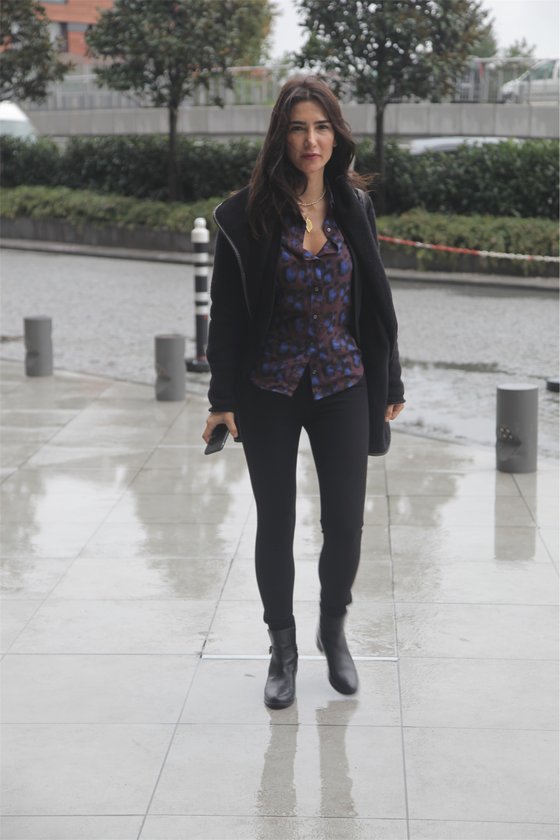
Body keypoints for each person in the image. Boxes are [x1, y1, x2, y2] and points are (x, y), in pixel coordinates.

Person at [202, 75, 405, 710]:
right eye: (297, 128)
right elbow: (226, 315)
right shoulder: (246, 215)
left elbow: (376, 302)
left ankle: (333, 628)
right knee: (277, 520)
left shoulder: (354, 207)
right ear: (280, 138)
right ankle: (282, 648)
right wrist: (221, 397)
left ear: (336, 135)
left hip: (344, 380)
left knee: (345, 520)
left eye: (320, 127)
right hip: (270, 385)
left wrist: (391, 379)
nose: (310, 140)